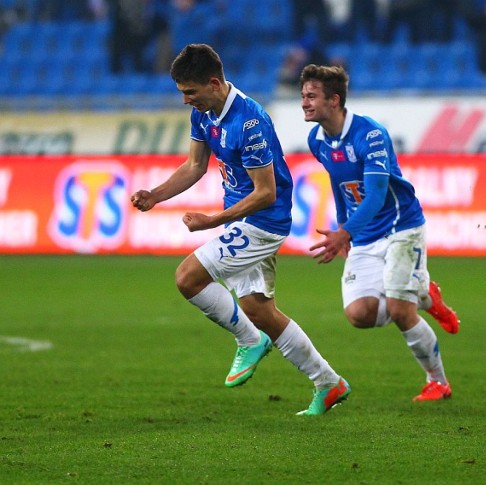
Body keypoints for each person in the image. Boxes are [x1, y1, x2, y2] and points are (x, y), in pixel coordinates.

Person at [131, 44, 350, 416]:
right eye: (182, 92)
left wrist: (210, 222)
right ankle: (329, 383)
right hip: (241, 219)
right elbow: (195, 166)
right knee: (259, 309)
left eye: (190, 92)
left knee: (188, 277)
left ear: (214, 83)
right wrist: (155, 195)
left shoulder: (249, 122)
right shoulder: (204, 113)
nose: (185, 100)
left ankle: (249, 340)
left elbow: (266, 193)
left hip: (264, 222)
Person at [299, 64, 460, 402]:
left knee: (402, 312)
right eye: (303, 96)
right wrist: (347, 229)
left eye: (311, 96)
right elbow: (339, 183)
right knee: (359, 315)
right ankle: (424, 293)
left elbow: (375, 193)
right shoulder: (317, 140)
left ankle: (438, 382)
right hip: (364, 234)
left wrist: (344, 232)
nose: (304, 102)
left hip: (401, 226)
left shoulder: (369, 134)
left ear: (334, 100)